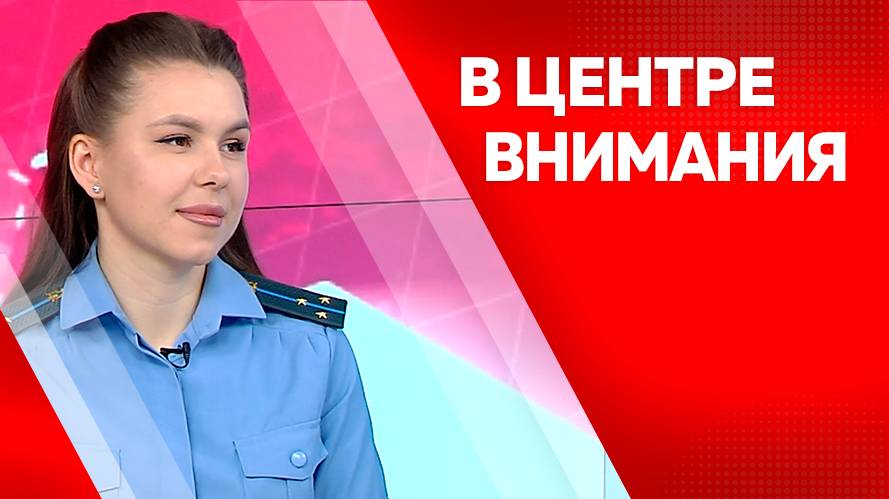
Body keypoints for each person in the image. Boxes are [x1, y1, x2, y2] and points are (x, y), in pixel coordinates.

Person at [1, 11, 388, 499]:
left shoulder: (312, 351)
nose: (217, 172)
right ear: (89, 163)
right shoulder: (19, 366)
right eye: (178, 140)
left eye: (233, 145)